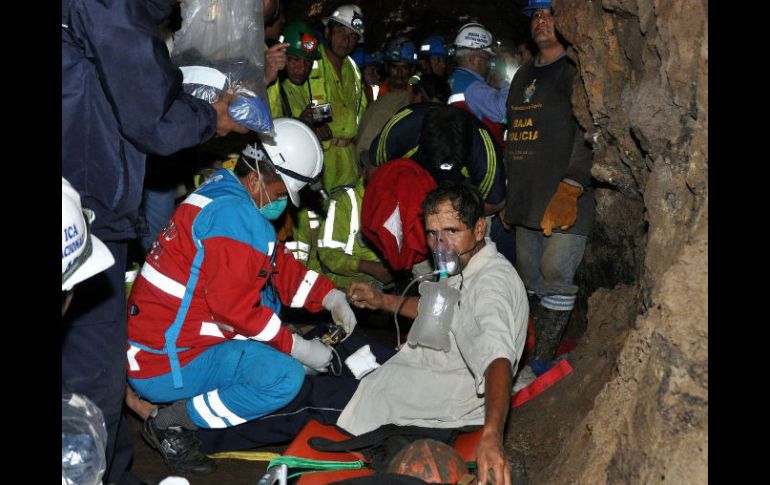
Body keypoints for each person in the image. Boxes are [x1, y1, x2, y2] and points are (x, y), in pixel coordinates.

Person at [62, 1, 248, 483]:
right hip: (85, 208)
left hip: (81, 196)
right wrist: (210, 118)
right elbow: (151, 115)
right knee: (93, 373)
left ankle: (112, 472)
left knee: (89, 368)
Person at [126, 119, 359, 474]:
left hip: (160, 345)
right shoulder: (234, 218)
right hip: (166, 362)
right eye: (281, 194)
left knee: (273, 328)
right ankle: (171, 422)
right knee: (284, 377)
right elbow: (235, 311)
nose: (283, 202)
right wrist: (298, 347)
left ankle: (182, 405)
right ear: (255, 180)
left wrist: (329, 296)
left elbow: (275, 264)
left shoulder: (225, 191)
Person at [340, 183, 528, 485]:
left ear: (479, 228)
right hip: (424, 370)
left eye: (451, 231)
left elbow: (497, 358)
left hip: (440, 396)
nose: (440, 245)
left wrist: (492, 435)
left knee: (319, 398)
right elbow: (439, 308)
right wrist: (381, 300)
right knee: (345, 351)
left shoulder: (491, 286)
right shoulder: (466, 267)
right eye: (432, 234)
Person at [504, 0, 595, 362]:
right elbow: (514, 133)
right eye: (536, 15)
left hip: (564, 195)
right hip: (527, 196)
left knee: (556, 273)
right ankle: (525, 358)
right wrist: (509, 189)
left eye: (549, 13)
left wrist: (572, 186)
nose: (541, 21)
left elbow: (589, 132)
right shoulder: (522, 75)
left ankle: (541, 360)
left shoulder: (575, 70)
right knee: (528, 278)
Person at [311, 4, 368, 193]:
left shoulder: (354, 70)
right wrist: (318, 121)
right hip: (319, 157)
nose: (346, 40)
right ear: (327, 32)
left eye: (353, 36)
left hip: (349, 161)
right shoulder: (310, 62)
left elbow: (360, 112)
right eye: (341, 31)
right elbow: (298, 101)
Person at [355, 36, 418, 165]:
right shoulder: (371, 94)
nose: (399, 73)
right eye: (395, 67)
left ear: (412, 70)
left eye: (405, 67)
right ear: (387, 67)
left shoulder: (416, 98)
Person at [447, 23, 508, 147]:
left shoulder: (456, 78)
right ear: (473, 59)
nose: (489, 65)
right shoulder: (474, 86)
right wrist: (504, 83)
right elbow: (503, 112)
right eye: (487, 59)